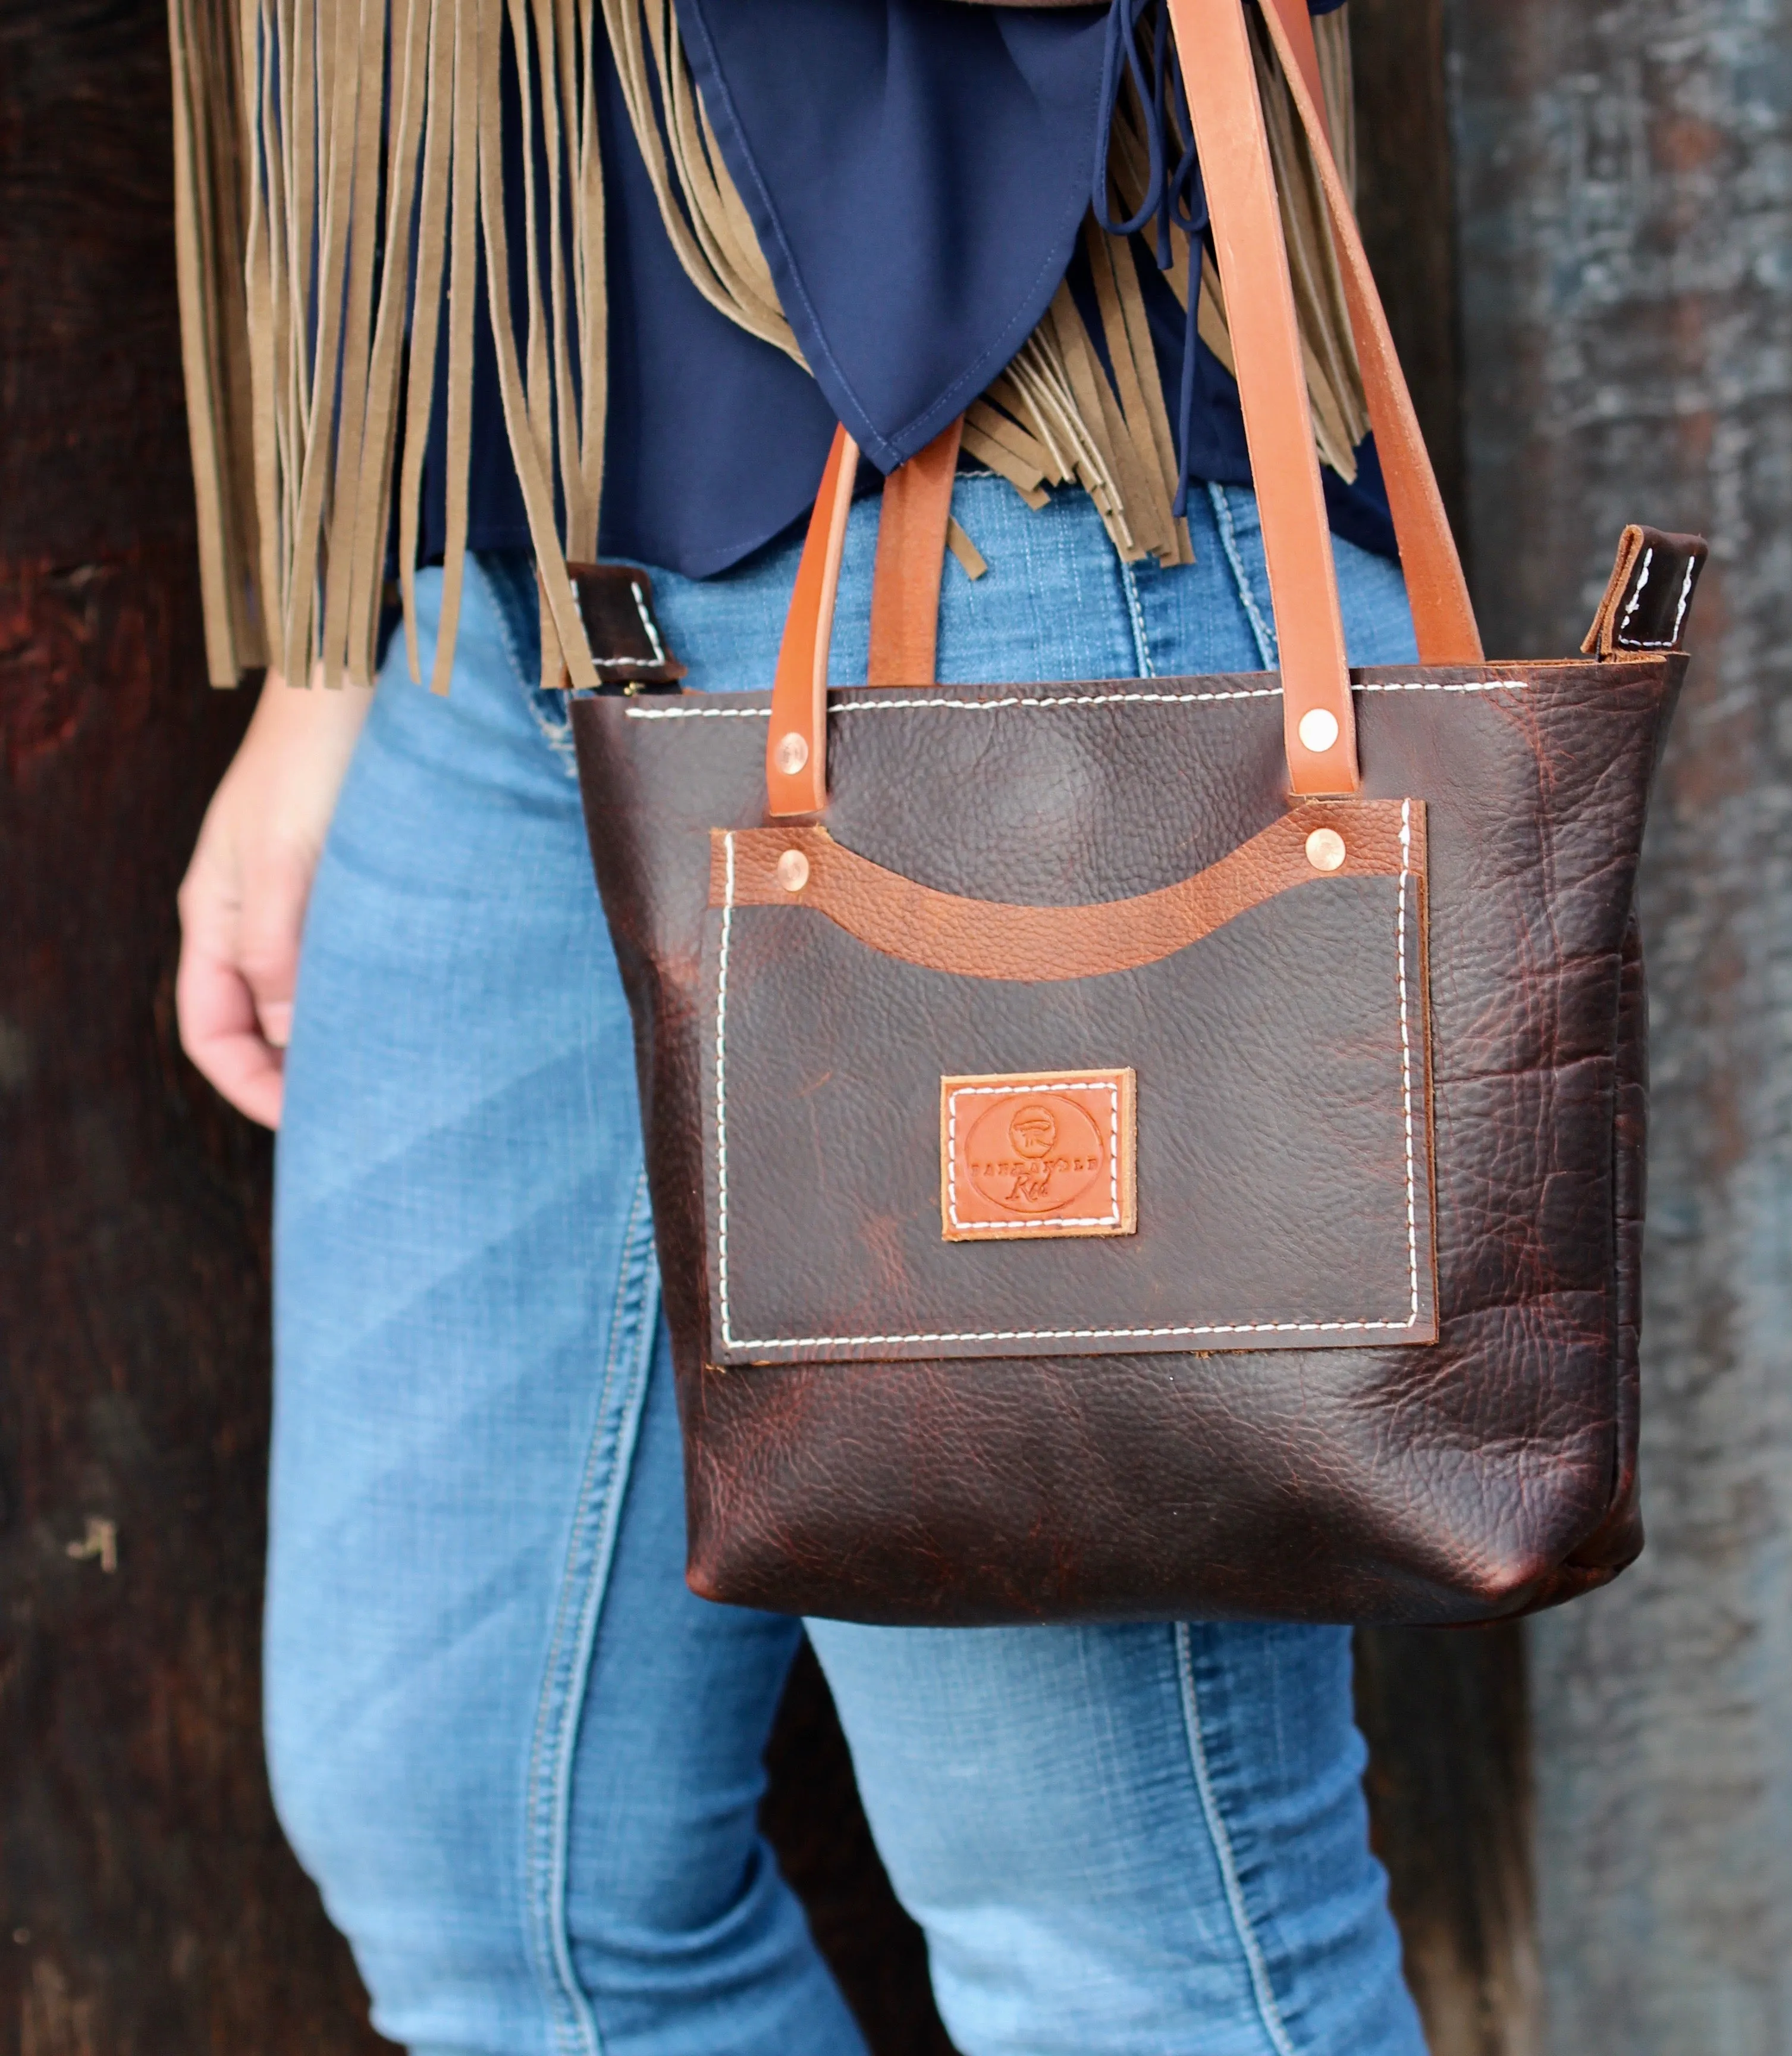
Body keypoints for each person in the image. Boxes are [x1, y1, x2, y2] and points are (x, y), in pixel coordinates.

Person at [171, 1, 1431, 2048]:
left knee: (1125, 1931)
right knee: (504, 1877)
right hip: (488, 574)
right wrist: (333, 647)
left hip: (993, 503)